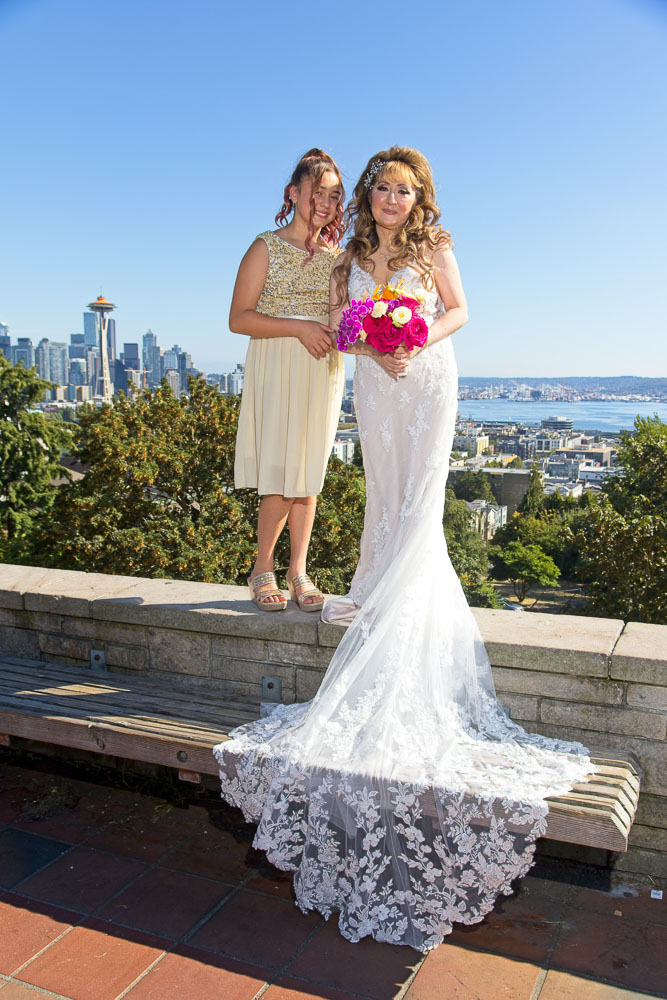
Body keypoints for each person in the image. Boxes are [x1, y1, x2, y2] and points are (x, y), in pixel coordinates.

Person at [215, 148, 592, 952]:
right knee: (384, 498)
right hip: (373, 384)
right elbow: (343, 326)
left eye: (403, 189)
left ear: (417, 198)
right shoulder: (347, 255)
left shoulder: (435, 244)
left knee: (420, 502)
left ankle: (404, 619)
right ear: (367, 196)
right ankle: (376, 595)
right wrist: (369, 341)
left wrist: (414, 340)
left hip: (424, 377)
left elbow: (458, 312)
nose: (391, 198)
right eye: (381, 187)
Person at [232, 148, 346, 613]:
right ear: (294, 192)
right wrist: (299, 327)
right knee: (280, 471)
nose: (325, 202)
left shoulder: (339, 259)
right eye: (317, 191)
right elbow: (239, 318)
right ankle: (262, 568)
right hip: (279, 362)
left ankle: (298, 571)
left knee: (308, 474)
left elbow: (340, 321)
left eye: (335, 195)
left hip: (322, 370)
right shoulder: (264, 246)